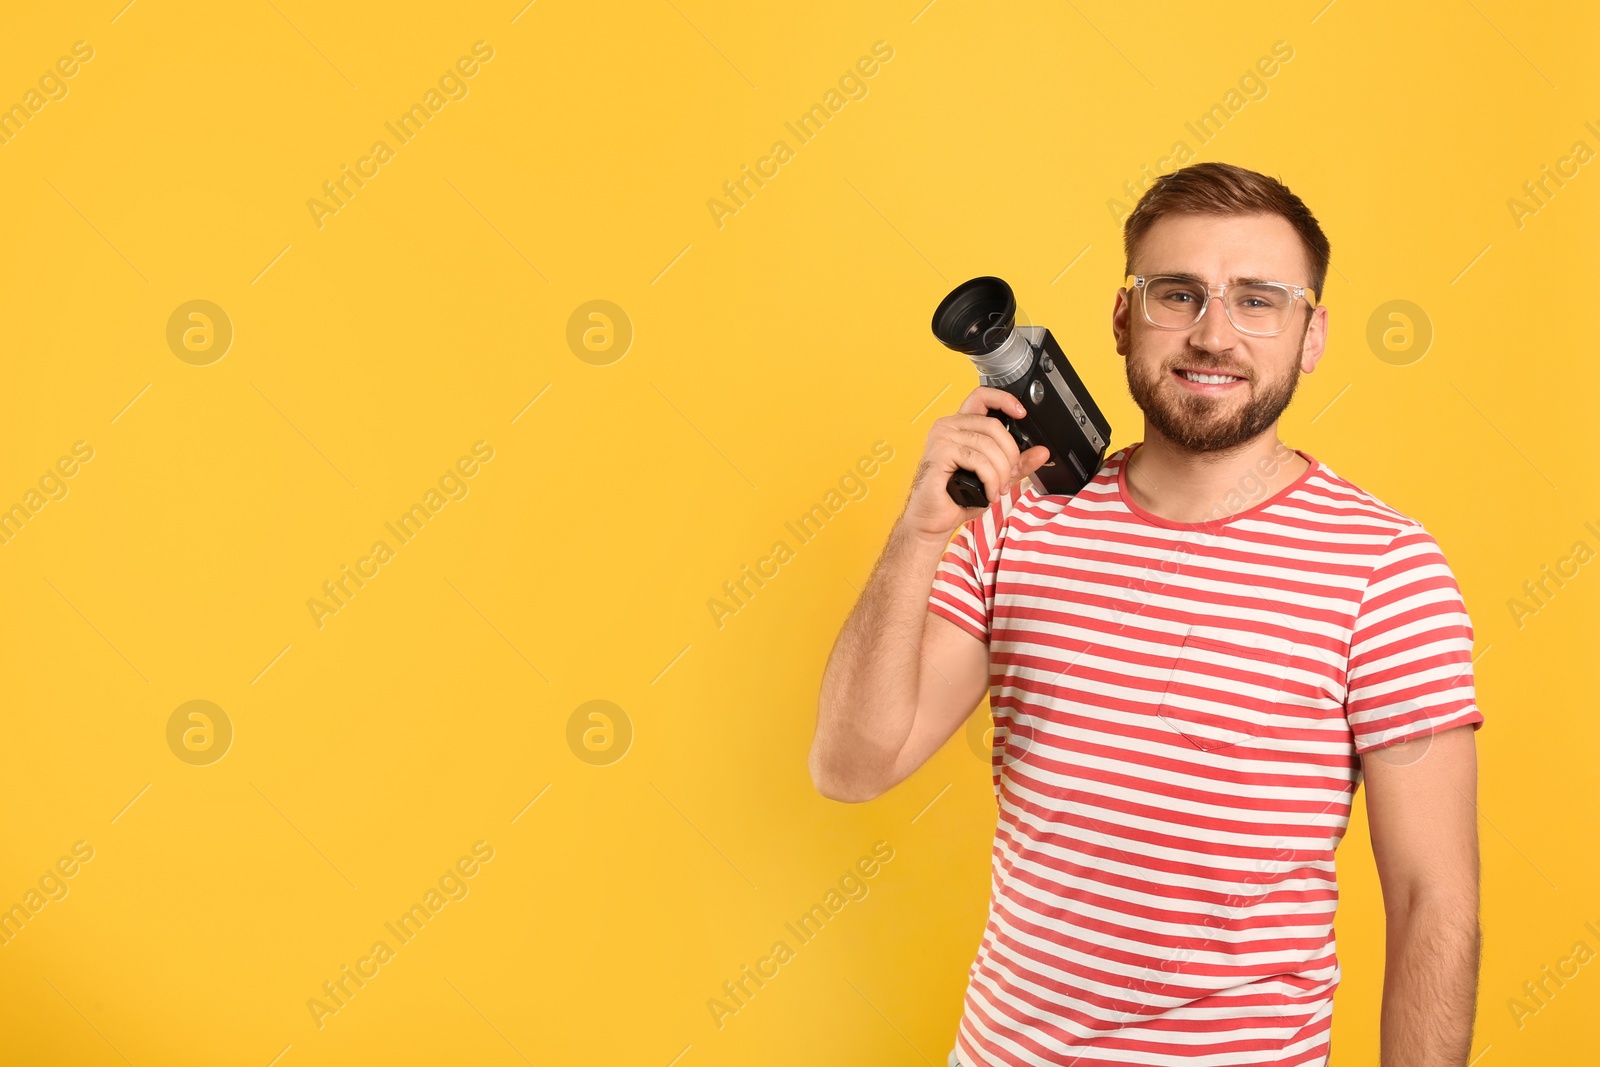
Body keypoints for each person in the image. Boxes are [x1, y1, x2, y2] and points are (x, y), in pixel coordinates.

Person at [809, 161, 1483, 1067]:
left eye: (1258, 300)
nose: (1214, 335)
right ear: (1123, 318)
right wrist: (919, 531)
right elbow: (852, 766)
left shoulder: (1386, 570)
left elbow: (1432, 898)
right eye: (1179, 294)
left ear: (1311, 334)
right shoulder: (1012, 519)